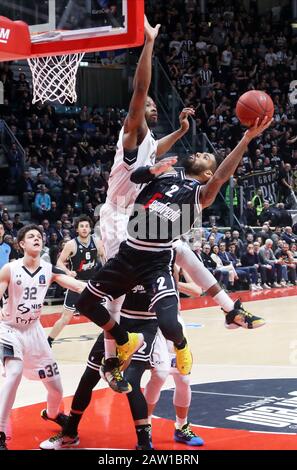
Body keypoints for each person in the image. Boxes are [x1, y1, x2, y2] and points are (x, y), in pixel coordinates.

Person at [75, 117, 271, 394]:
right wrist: (151, 170)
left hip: (156, 260)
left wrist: (247, 139)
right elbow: (134, 177)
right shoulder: (168, 174)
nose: (199, 154)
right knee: (85, 303)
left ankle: (184, 343)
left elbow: (221, 176)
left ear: (206, 174)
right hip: (129, 251)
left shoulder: (200, 193)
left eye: (205, 157)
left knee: (169, 323)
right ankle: (123, 340)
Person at [98, 16, 195, 392]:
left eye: (154, 105)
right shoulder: (132, 130)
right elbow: (141, 88)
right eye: (148, 106)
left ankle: (155, 336)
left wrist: (182, 131)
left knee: (174, 254)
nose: (151, 106)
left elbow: (157, 149)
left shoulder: (150, 140)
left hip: (137, 216)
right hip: (117, 215)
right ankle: (114, 355)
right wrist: (149, 43)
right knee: (116, 290)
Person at [39, 268, 202, 451]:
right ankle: (69, 433)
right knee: (88, 378)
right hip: (117, 323)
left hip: (148, 324)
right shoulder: (123, 259)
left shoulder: (164, 258)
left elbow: (197, 288)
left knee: (138, 379)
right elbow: (100, 298)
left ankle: (148, 440)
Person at [0, 225, 87, 450]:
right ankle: (0, 431)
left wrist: (107, 288)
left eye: (39, 236)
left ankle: (52, 414)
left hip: (35, 332)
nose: (36, 239)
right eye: (31, 236)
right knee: (14, 373)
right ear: (21, 245)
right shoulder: (10, 269)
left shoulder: (49, 270)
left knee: (56, 389)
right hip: (10, 329)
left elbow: (77, 285)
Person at [47, 215, 105, 346]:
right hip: (75, 284)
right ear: (77, 230)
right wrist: (67, 272)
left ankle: (112, 339)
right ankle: (49, 340)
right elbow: (59, 262)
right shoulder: (71, 244)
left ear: (90, 228)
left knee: (107, 313)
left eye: (86, 226)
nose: (84, 229)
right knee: (65, 318)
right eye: (81, 226)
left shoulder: (97, 242)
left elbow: (104, 259)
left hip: (92, 284)